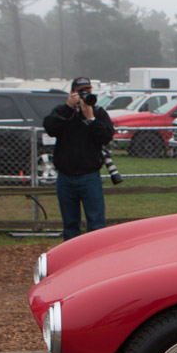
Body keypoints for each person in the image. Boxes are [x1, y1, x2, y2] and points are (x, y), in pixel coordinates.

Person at [43, 77, 115, 240]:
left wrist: (91, 119)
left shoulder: (97, 113)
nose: (84, 96)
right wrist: (68, 107)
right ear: (72, 93)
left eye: (87, 92)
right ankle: (73, 259)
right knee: (70, 225)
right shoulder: (63, 113)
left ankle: (96, 258)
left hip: (89, 176)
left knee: (96, 224)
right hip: (65, 177)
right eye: (80, 92)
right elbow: (50, 128)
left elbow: (106, 137)